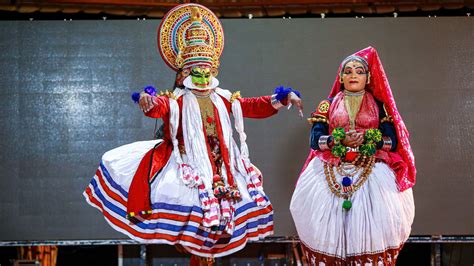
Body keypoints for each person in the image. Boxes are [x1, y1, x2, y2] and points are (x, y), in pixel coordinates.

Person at [83, 3, 302, 262]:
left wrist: (283, 98)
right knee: (192, 228)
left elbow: (252, 106)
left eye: (205, 70)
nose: (201, 76)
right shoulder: (177, 100)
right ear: (183, 73)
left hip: (222, 168)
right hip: (188, 167)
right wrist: (147, 100)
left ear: (213, 70)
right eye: (194, 71)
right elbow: (158, 107)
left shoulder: (224, 98)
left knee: (219, 226)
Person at [290, 47, 415, 265]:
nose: (353, 75)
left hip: (372, 171)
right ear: (340, 77)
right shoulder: (327, 105)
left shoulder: (379, 106)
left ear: (368, 77)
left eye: (359, 71)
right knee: (322, 227)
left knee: (375, 227)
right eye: (348, 71)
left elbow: (392, 141)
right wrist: (336, 140)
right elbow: (315, 139)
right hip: (331, 170)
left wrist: (369, 140)